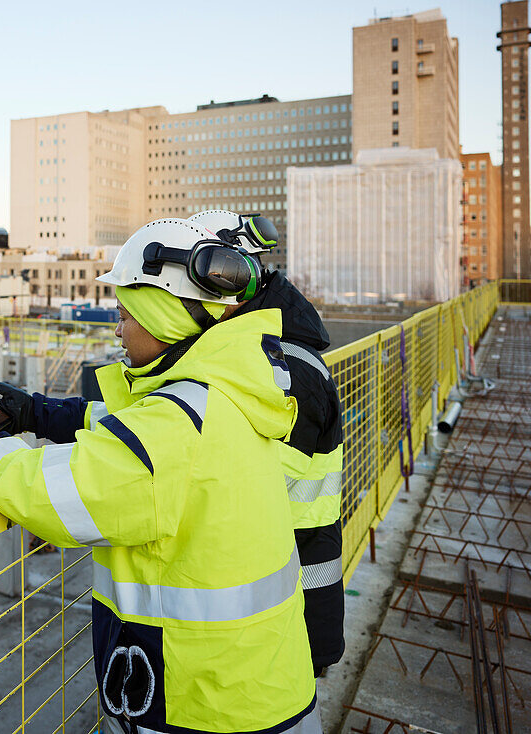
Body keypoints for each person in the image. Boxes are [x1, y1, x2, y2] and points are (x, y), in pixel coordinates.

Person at [0, 218, 321, 734]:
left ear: (162, 317)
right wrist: (34, 413)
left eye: (125, 315)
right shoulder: (230, 392)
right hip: (261, 687)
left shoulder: (176, 424)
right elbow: (132, 436)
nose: (117, 329)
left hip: (203, 705)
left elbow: (51, 494)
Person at [189, 210, 345, 676]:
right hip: (278, 580)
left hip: (290, 596)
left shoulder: (287, 370)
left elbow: (249, 481)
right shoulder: (264, 350)